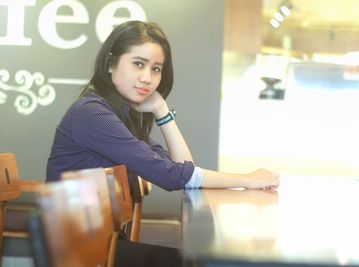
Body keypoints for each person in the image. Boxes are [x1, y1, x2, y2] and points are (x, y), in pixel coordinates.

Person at [46, 20, 279, 266]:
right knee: (199, 262)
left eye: (156, 69)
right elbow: (174, 177)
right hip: (78, 254)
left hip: (101, 247)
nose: (147, 77)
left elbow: (182, 168)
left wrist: (160, 109)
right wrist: (247, 180)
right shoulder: (92, 114)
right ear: (111, 64)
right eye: (138, 64)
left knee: (198, 260)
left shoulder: (120, 114)